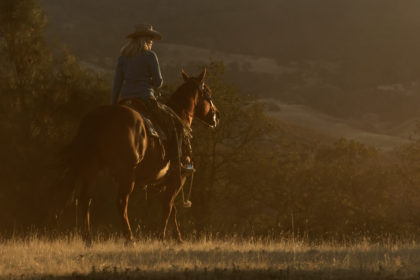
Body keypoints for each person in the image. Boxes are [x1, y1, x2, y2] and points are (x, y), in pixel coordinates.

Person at [111, 24, 189, 186]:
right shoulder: (150, 56)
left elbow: (117, 83)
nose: (152, 42)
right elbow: (159, 82)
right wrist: (151, 82)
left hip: (125, 100)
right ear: (145, 40)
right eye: (151, 39)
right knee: (176, 125)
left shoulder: (123, 57)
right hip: (145, 99)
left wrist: (113, 104)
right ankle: (176, 166)